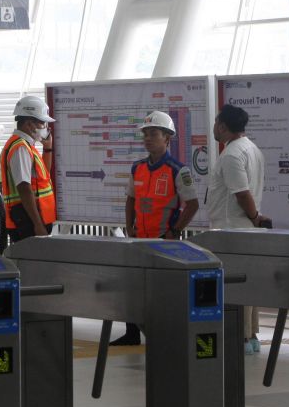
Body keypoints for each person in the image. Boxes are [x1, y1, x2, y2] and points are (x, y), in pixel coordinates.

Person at [110, 110, 201, 346]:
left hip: (163, 240)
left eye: (154, 134)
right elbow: (130, 198)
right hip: (138, 238)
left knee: (160, 291)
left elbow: (192, 205)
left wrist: (175, 231)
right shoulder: (137, 167)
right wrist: (129, 225)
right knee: (132, 286)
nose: (148, 138)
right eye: (146, 134)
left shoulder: (178, 169)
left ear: (167, 138)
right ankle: (132, 333)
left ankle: (163, 333)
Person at [206, 103, 270, 353]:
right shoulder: (252, 149)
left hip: (233, 228)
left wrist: (254, 216)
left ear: (222, 126)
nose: (214, 127)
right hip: (244, 229)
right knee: (247, 283)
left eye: (215, 122)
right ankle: (251, 335)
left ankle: (240, 339)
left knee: (234, 284)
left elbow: (242, 193)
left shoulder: (233, 154)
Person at [0, 95, 57, 242]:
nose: (46, 127)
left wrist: (48, 149)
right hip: (27, 222)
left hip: (33, 218)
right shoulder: (20, 148)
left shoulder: (26, 146)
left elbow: (45, 176)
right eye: (42, 123)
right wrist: (38, 225)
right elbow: (24, 187)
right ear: (30, 124)